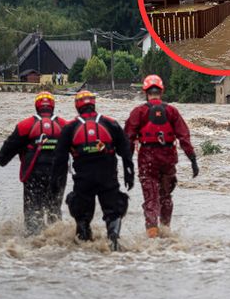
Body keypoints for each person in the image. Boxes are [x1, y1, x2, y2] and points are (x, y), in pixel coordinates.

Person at [52, 90, 134, 251]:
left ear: (77, 106)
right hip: (108, 177)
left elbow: (59, 159)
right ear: (93, 104)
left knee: (81, 216)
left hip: (84, 180)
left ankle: (84, 250)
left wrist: (55, 183)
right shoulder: (111, 124)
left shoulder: (70, 128)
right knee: (114, 211)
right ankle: (113, 241)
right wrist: (129, 173)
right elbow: (126, 151)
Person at [125, 75, 198, 238]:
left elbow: (128, 138)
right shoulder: (172, 111)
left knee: (151, 197)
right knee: (166, 197)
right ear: (161, 91)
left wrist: (127, 164)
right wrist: (193, 159)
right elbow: (184, 136)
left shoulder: (139, 112)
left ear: (146, 92)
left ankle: (152, 234)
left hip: (147, 158)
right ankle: (166, 231)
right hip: (168, 158)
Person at [0, 91, 68, 234]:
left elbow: (3, 157)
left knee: (33, 211)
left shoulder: (25, 126)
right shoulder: (65, 126)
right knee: (54, 209)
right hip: (58, 176)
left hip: (33, 175)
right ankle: (58, 239)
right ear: (53, 106)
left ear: (37, 106)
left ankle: (33, 241)